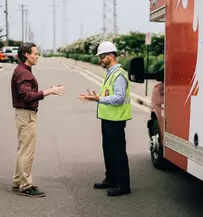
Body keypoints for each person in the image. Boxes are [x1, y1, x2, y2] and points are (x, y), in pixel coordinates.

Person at [11, 42, 66, 197]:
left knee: (23, 150)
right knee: (27, 152)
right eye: (35, 54)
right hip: (26, 115)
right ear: (27, 55)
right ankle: (26, 186)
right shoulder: (23, 73)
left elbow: (27, 92)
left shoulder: (23, 70)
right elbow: (26, 95)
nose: (37, 56)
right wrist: (49, 91)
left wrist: (49, 90)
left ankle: (18, 182)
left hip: (23, 113)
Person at [79, 41, 132, 197]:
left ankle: (123, 185)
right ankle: (111, 179)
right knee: (108, 151)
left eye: (102, 57)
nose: (100, 60)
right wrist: (97, 98)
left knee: (118, 153)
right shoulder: (110, 73)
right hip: (108, 119)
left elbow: (119, 98)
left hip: (116, 120)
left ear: (110, 56)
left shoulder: (119, 74)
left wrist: (99, 99)